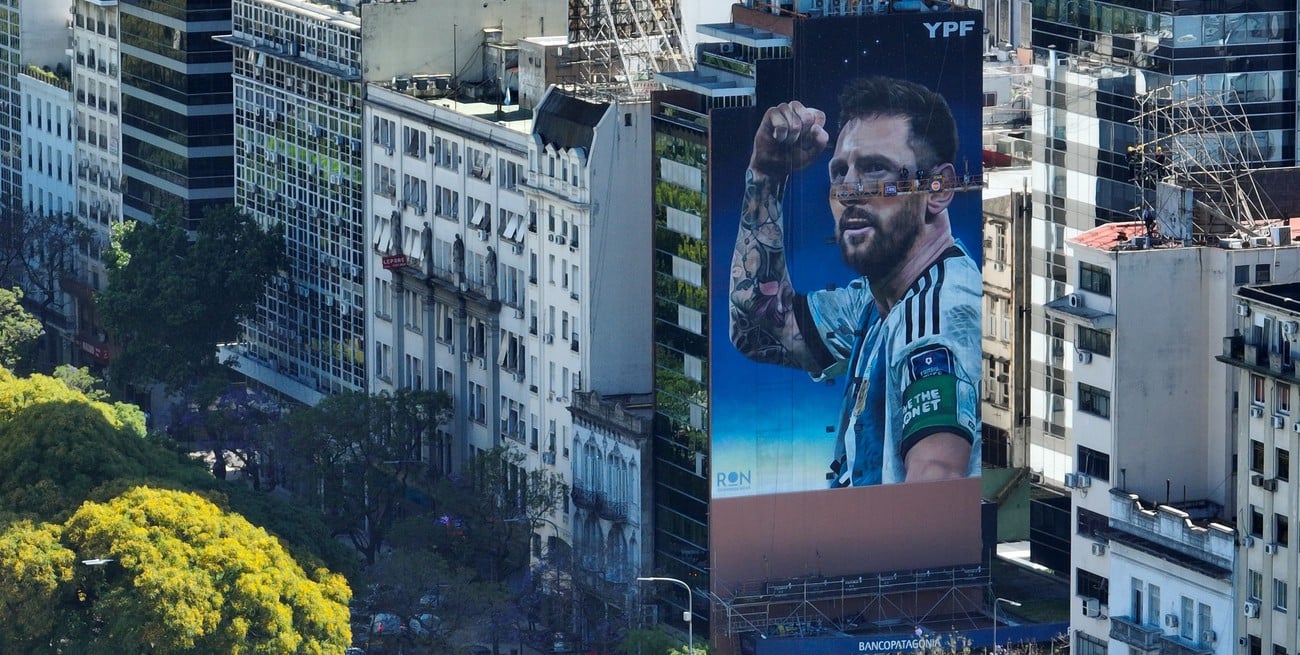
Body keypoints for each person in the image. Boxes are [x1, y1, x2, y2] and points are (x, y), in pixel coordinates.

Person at [728, 75, 981, 487]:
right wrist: (767, 173)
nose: (849, 192)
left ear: (938, 189)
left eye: (875, 168)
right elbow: (756, 329)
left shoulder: (936, 317)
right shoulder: (878, 300)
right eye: (840, 173)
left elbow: (937, 481)